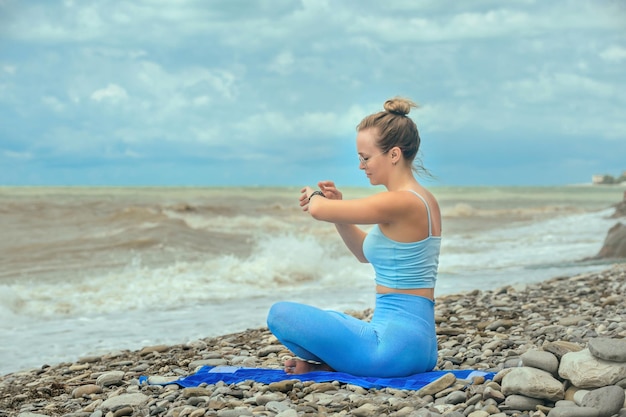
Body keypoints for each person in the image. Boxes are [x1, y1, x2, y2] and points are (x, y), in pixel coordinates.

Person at [266, 97, 441, 378]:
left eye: (366, 158)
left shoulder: (401, 201)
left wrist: (316, 198)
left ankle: (339, 363)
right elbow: (362, 252)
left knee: (280, 315)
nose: (361, 166)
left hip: (394, 348)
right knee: (333, 319)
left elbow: (318, 209)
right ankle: (335, 364)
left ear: (394, 154)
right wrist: (338, 213)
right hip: (415, 345)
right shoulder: (421, 199)